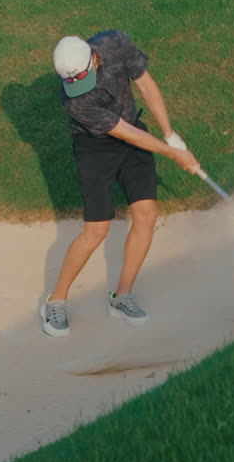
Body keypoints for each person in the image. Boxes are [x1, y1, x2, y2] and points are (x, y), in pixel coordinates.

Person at [40, 31, 200, 337]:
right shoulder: (74, 100)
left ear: (94, 57)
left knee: (146, 215)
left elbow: (145, 84)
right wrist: (172, 153)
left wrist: (170, 135)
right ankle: (55, 301)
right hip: (94, 148)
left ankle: (121, 296)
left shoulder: (116, 43)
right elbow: (122, 131)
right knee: (96, 230)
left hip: (133, 133)